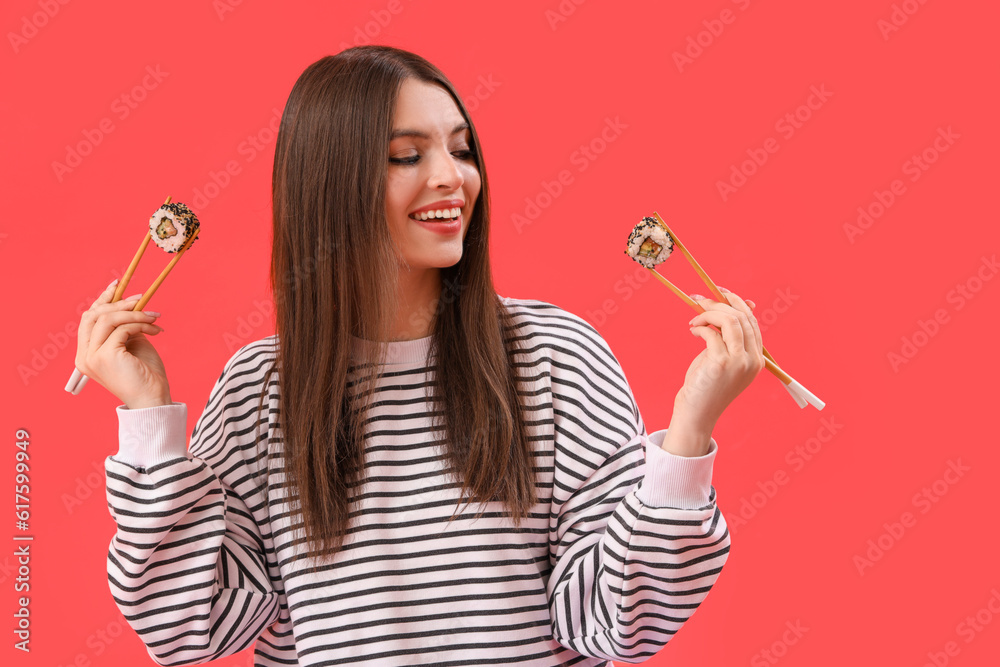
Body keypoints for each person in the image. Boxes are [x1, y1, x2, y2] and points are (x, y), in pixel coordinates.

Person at [76, 45, 764, 666]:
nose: (451, 178)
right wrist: (148, 421)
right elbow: (187, 626)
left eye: (462, 150)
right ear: (329, 184)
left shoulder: (558, 359)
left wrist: (688, 437)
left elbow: (619, 620)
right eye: (408, 155)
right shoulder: (260, 391)